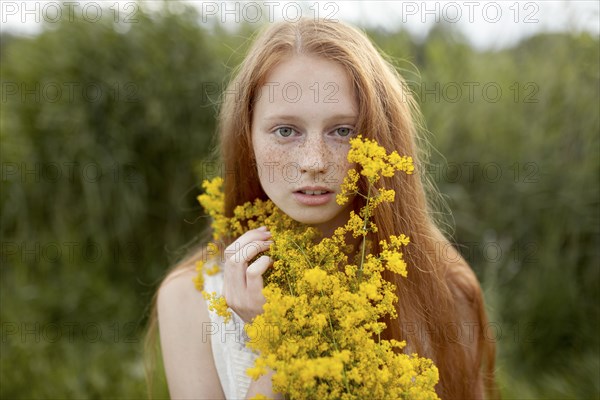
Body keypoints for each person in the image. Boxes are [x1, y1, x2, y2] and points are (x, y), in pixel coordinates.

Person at [150, 18, 498, 400]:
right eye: (286, 131)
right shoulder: (191, 299)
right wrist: (278, 344)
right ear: (246, 137)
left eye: (343, 131)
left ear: (381, 140)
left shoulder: (444, 286)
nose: (314, 161)